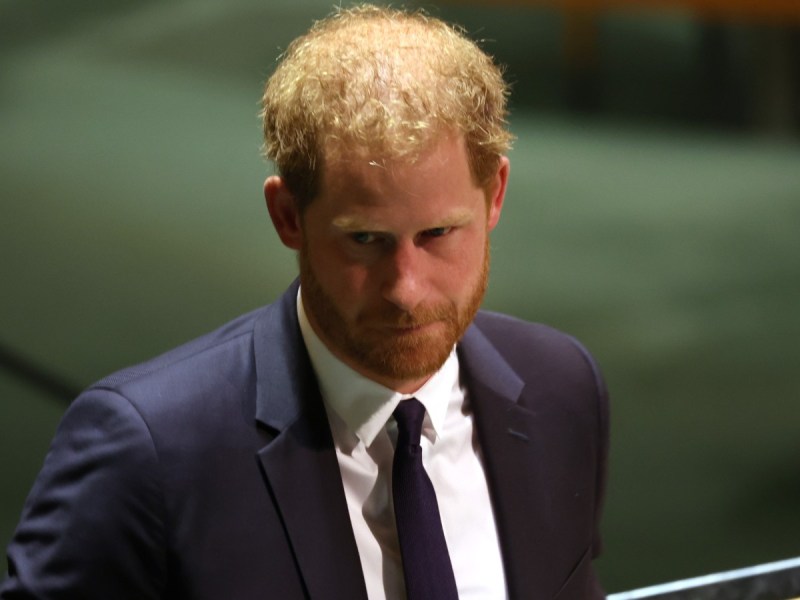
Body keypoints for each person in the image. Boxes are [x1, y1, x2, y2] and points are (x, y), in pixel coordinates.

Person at [1, 4, 609, 599]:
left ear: (494, 195)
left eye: (437, 234)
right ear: (287, 216)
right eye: (364, 240)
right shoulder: (148, 451)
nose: (406, 289)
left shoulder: (561, 389)